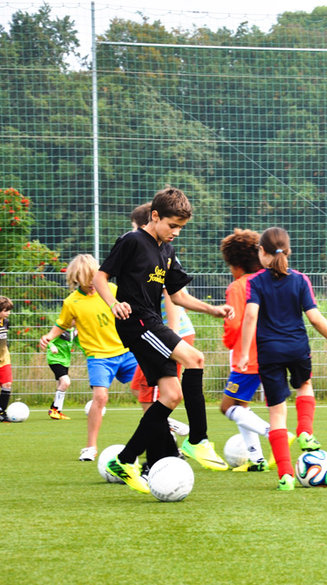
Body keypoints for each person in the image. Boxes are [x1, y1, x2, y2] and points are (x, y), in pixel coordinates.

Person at [94, 187, 234, 494]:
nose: (176, 233)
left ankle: (125, 459)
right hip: (137, 322)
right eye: (172, 226)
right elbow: (100, 277)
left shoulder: (166, 252)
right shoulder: (132, 241)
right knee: (195, 358)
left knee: (171, 396)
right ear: (154, 216)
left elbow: (178, 295)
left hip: (151, 321)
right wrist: (113, 303)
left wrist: (212, 309)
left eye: (181, 228)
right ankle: (198, 439)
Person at [237, 227, 327, 491]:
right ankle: (305, 432)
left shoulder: (255, 282)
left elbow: (251, 317)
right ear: (288, 251)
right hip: (298, 349)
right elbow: (314, 317)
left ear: (263, 253)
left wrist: (244, 353)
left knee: (277, 414)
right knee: (304, 385)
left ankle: (286, 475)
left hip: (269, 353)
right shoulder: (301, 280)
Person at [39, 255, 140, 461]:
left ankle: (164, 426)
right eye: (87, 281)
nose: (92, 285)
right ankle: (90, 447)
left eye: (95, 279)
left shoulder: (111, 290)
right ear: (76, 279)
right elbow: (62, 324)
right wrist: (49, 336)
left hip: (125, 351)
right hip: (99, 357)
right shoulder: (72, 302)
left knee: (148, 388)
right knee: (100, 397)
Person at [128, 202, 191, 438]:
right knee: (139, 387)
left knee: (149, 392)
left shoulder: (160, 253)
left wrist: (170, 338)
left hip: (170, 333)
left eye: (135, 228)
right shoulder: (145, 250)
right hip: (159, 332)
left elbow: (172, 297)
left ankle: (165, 441)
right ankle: (166, 429)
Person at [220, 228, 281, 472]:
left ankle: (274, 433)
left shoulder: (238, 286)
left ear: (235, 264)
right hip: (273, 352)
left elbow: (234, 323)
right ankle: (257, 460)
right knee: (243, 406)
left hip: (248, 358)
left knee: (227, 406)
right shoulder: (269, 281)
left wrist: (228, 341)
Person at [45, 327, 82, 420]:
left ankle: (57, 411)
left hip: (65, 361)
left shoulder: (74, 331)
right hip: (55, 359)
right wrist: (51, 346)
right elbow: (48, 340)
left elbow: (79, 343)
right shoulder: (60, 328)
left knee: (61, 384)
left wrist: (89, 353)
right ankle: (54, 409)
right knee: (66, 382)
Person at [0, 296, 13, 423]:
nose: (8, 313)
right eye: (5, 310)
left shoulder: (6, 322)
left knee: (7, 384)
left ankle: (2, 412)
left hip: (4, 359)